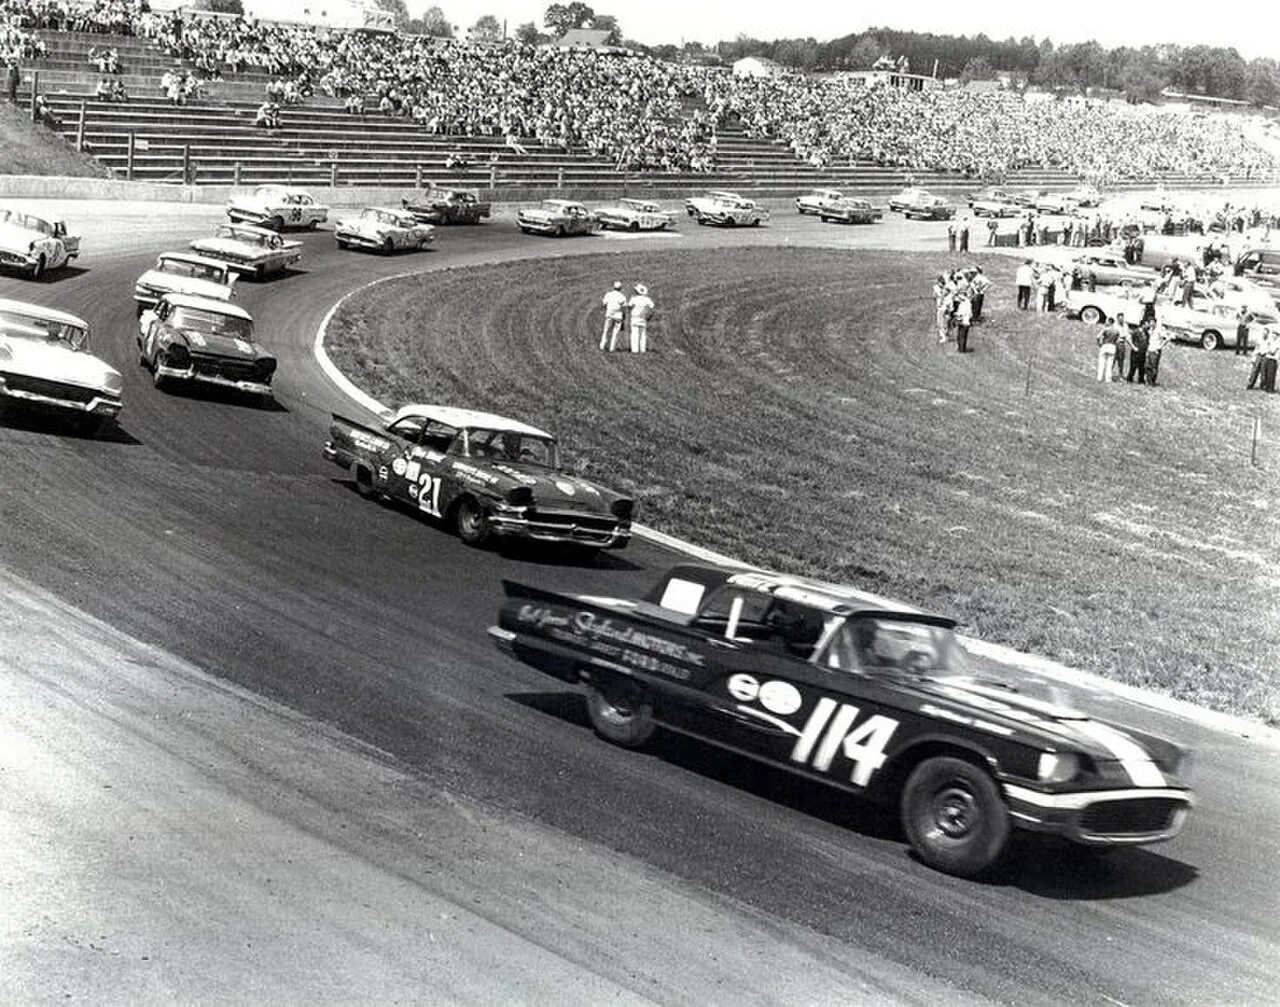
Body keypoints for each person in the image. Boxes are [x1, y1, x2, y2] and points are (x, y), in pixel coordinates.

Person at [628, 283, 655, 353]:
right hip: (643, 317)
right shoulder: (647, 299)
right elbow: (652, 307)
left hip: (635, 317)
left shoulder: (634, 298)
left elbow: (629, 306)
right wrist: (649, 315)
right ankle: (642, 349)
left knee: (634, 334)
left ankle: (635, 350)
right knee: (643, 334)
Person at [599, 280, 627, 351]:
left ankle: (602, 346)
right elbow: (624, 308)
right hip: (618, 315)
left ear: (613, 287)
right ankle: (612, 348)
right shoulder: (622, 296)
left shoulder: (608, 294)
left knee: (606, 330)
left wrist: (607, 309)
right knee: (615, 332)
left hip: (609, 314)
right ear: (620, 288)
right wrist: (624, 317)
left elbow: (604, 304)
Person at [1146, 318, 1171, 386]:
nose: (1151, 324)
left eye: (1152, 322)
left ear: (1155, 323)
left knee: (1154, 367)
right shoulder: (1150, 330)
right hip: (1150, 349)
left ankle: (1152, 382)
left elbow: (1167, 338)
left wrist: (1160, 347)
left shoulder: (1159, 330)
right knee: (1147, 366)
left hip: (1155, 351)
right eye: (1150, 322)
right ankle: (1148, 381)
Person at [1096, 315, 1121, 382]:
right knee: (1109, 364)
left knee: (1102, 362)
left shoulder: (1105, 329)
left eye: (1106, 321)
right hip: (1112, 347)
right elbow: (1118, 340)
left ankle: (1099, 378)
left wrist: (1099, 344)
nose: (1105, 322)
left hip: (1105, 345)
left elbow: (1098, 337)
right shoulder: (1116, 331)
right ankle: (1108, 379)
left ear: (1110, 322)